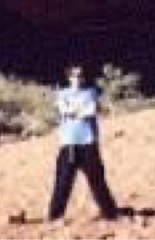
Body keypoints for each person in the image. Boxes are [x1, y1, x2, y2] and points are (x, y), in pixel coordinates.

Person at [47, 64, 119, 221]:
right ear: (69, 77)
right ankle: (55, 215)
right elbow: (65, 110)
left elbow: (90, 111)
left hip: (88, 142)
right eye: (74, 75)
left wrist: (76, 111)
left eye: (80, 75)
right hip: (69, 143)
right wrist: (77, 110)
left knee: (97, 180)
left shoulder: (91, 93)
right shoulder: (62, 94)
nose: (77, 79)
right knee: (63, 181)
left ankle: (110, 213)